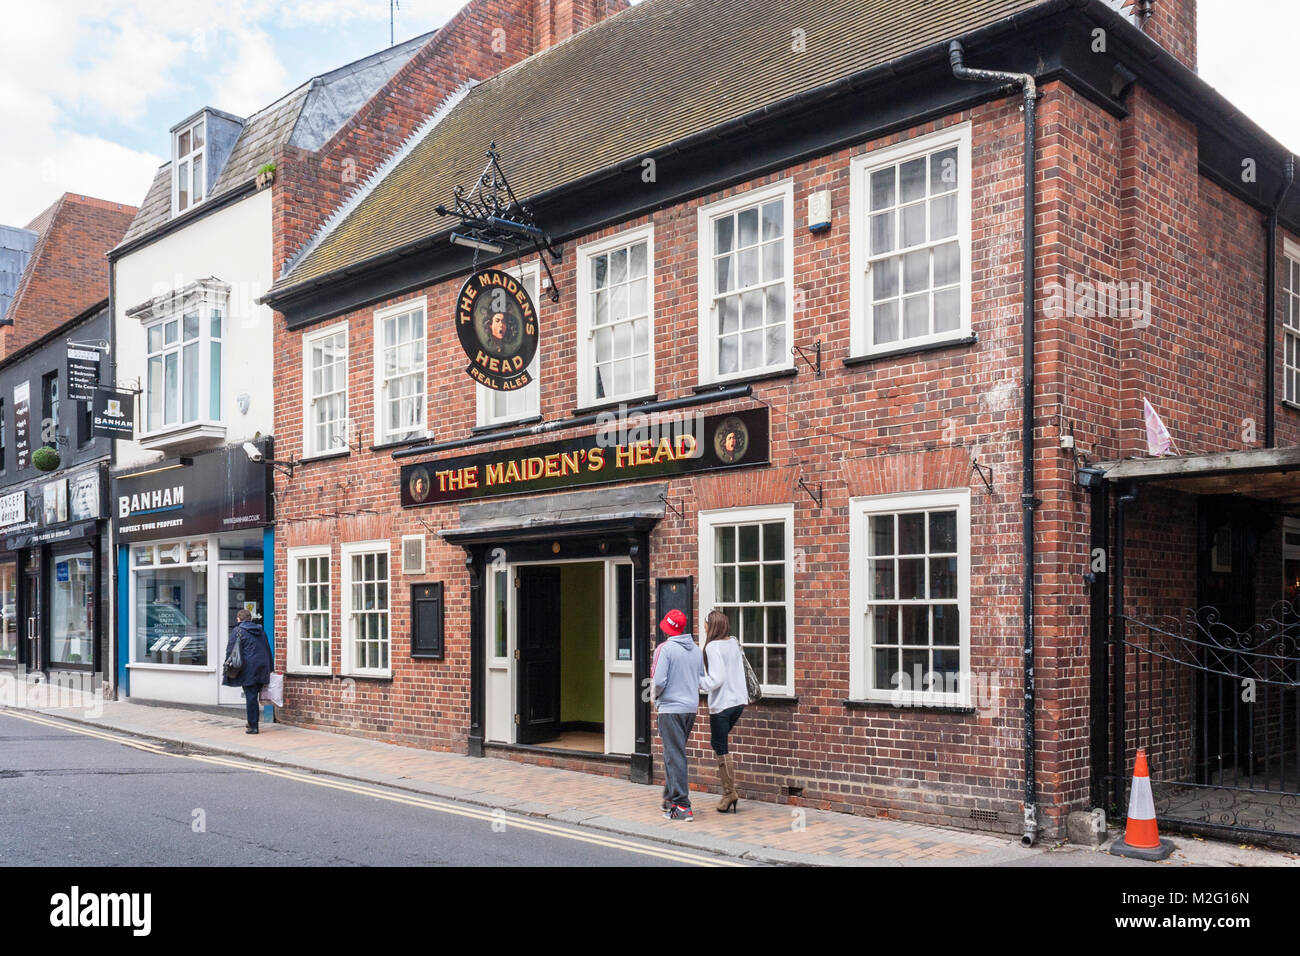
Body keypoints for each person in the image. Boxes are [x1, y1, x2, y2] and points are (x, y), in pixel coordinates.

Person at [652, 608, 703, 821]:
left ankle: (682, 806)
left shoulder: (666, 649)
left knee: (674, 755)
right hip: (690, 709)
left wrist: (655, 699)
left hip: (671, 708)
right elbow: (700, 679)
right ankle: (670, 797)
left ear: (667, 628)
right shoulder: (696, 650)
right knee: (674, 754)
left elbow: (658, 681)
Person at [698, 608, 747, 812]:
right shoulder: (733, 643)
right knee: (718, 743)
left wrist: (697, 682)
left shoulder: (713, 647)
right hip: (738, 702)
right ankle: (729, 793)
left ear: (712, 625)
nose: (704, 626)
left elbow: (716, 679)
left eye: (705, 623)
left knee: (720, 746)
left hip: (722, 704)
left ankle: (729, 793)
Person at [223, 608, 273, 734]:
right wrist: (270, 668)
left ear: (239, 619)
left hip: (248, 669)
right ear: (250, 619)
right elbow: (267, 649)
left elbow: (231, 651)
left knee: (251, 697)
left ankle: (253, 726)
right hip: (262, 667)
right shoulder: (261, 630)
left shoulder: (237, 630)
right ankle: (251, 721)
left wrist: (227, 665)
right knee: (253, 696)